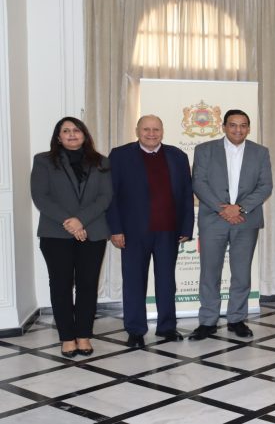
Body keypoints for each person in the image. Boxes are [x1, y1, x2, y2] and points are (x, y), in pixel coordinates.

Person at [107, 115, 194, 348]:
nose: (151, 134)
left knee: (166, 282)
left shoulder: (177, 156)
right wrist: (115, 229)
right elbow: (111, 195)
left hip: (169, 231)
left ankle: (167, 327)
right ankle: (135, 330)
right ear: (137, 130)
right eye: (146, 129)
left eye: (156, 129)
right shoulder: (120, 155)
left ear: (162, 131)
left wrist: (186, 226)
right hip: (133, 232)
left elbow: (186, 194)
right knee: (134, 282)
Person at [31, 117, 112, 357]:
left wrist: (81, 221)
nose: (72, 134)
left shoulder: (101, 162)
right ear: (58, 137)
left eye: (76, 130)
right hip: (56, 234)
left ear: (84, 135)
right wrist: (71, 222)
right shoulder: (43, 161)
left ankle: (84, 336)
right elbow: (41, 197)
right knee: (61, 285)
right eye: (66, 131)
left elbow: (105, 197)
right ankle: (67, 337)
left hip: (92, 232)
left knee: (88, 285)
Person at [190, 110, 272, 340]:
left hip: (246, 220)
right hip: (213, 219)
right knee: (210, 272)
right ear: (224, 127)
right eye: (233, 125)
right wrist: (223, 209)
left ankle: (237, 319)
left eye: (243, 125)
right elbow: (199, 183)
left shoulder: (260, 152)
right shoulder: (205, 150)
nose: (238, 129)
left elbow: (265, 186)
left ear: (249, 128)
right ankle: (208, 321)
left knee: (242, 274)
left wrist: (240, 208)